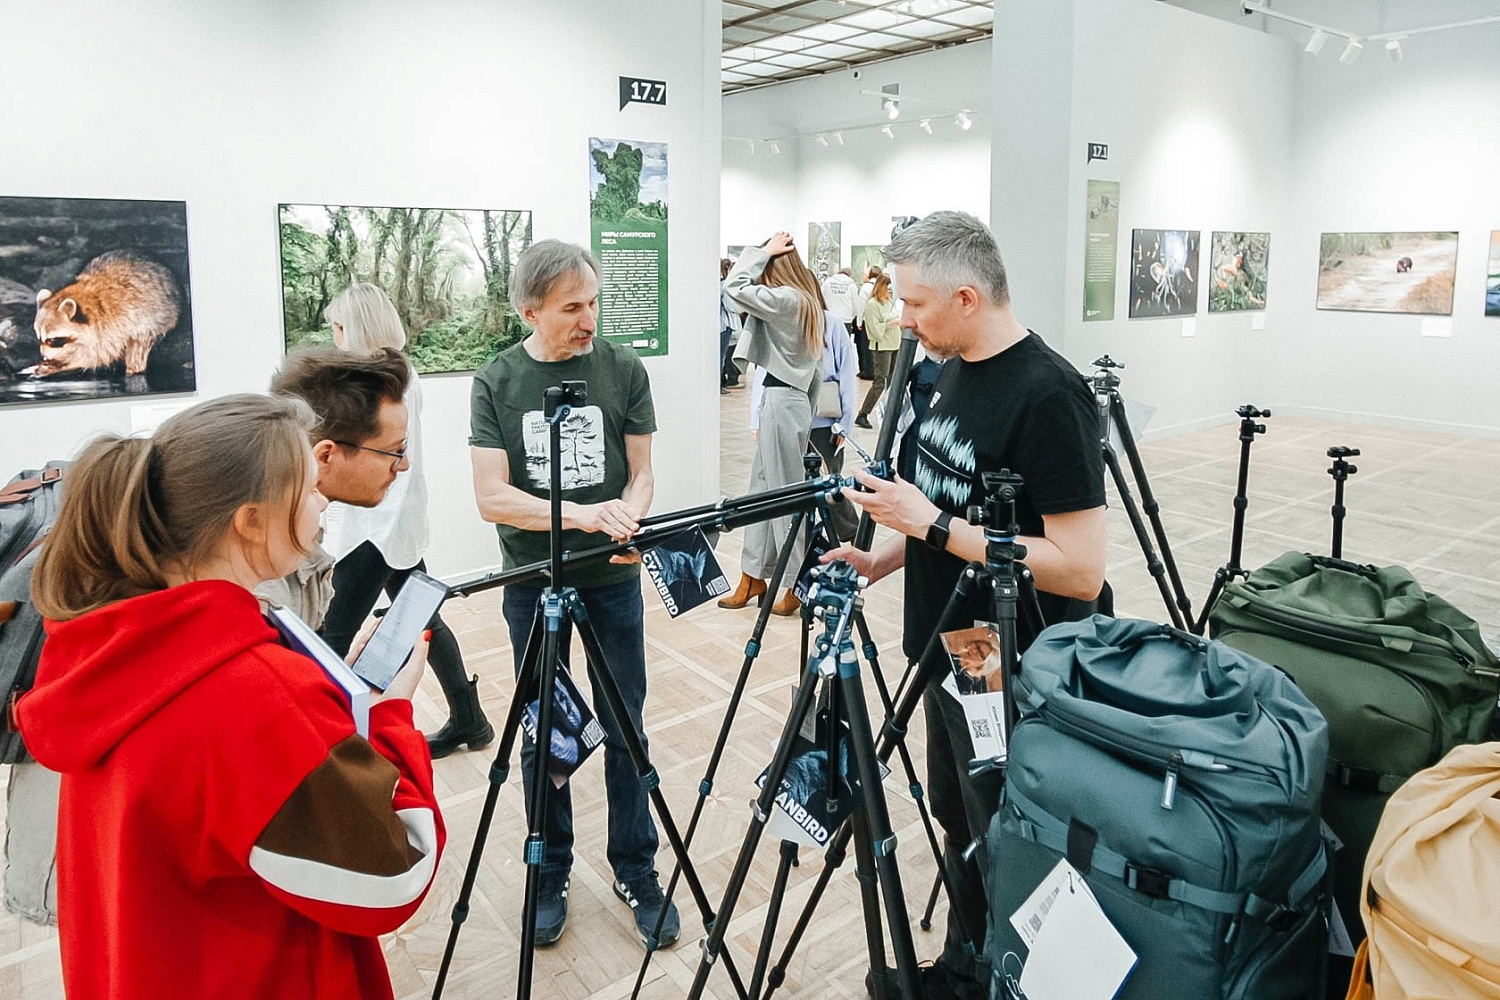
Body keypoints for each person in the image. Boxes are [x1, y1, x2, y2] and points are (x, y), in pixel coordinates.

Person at [14, 394, 444, 1000]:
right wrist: (391, 715)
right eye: (308, 486)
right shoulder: (254, 694)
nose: (323, 499)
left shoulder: (103, 644)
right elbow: (393, 875)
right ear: (250, 520)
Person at [825, 211, 1107, 1000]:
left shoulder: (1051, 397)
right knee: (959, 814)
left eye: (913, 305)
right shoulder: (950, 365)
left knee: (1006, 832)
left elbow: (1081, 571)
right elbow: (942, 501)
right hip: (945, 646)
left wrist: (936, 526)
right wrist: (883, 555)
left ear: (966, 296)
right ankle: (962, 967)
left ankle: (1007, 979)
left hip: (1005, 660)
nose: (901, 319)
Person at [469, 239, 679, 949]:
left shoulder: (623, 367)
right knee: (544, 738)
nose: (589, 319)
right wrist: (585, 516)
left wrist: (629, 509)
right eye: (572, 308)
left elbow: (642, 470)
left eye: (593, 302)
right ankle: (549, 869)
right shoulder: (496, 381)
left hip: (613, 582)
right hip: (533, 584)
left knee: (628, 729)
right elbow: (493, 498)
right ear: (531, 311)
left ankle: (636, 869)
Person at [314, 283, 494, 758]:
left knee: (333, 634)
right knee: (420, 617)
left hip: (377, 527)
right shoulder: (400, 373)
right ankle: (469, 719)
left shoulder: (385, 380)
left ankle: (324, 744)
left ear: (358, 327)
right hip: (393, 523)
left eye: (338, 327)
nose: (334, 337)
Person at [718, 232, 825, 617]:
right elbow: (816, 371)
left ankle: (798, 580)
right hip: (787, 401)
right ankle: (753, 575)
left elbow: (734, 284)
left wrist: (760, 253)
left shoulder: (787, 300)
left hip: (782, 401)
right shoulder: (806, 303)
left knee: (781, 497)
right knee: (761, 491)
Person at [748, 302, 859, 543]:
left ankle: (850, 532)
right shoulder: (779, 322)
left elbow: (847, 373)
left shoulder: (831, 323)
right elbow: (763, 374)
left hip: (824, 422)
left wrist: (846, 422)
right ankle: (801, 540)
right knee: (789, 485)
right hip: (786, 417)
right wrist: (757, 419)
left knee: (830, 483)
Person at [855, 272, 901, 429]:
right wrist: (892, 324)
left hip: (895, 344)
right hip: (882, 347)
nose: (890, 292)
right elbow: (873, 329)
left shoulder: (888, 302)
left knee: (893, 381)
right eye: (888, 288)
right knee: (880, 382)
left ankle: (890, 413)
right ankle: (863, 413)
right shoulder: (872, 305)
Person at [853, 263, 882, 379]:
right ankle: (877, 371)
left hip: (867, 321)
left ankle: (868, 371)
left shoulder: (865, 287)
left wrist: (859, 322)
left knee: (866, 347)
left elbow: (861, 306)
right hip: (880, 321)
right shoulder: (882, 286)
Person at [719, 258, 743, 393]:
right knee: (721, 357)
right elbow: (733, 306)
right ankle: (720, 385)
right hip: (724, 325)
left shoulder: (719, 285)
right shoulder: (725, 286)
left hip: (720, 325)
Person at [820, 266, 858, 331]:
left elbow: (820, 298)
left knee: (829, 340)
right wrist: (852, 316)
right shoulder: (852, 285)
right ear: (849, 275)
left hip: (829, 318)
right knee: (844, 340)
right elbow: (855, 304)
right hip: (845, 319)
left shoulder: (827, 282)